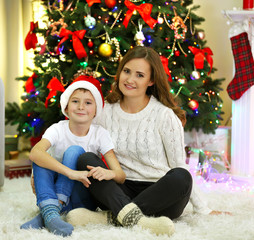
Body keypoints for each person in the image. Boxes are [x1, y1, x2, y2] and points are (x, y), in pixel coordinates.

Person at [66, 46, 226, 236]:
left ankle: (110, 218)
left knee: (181, 176)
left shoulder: (165, 116)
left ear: (151, 80)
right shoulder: (106, 111)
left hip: (160, 196)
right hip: (118, 189)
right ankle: (133, 217)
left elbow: (178, 165)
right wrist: (44, 172)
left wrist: (203, 209)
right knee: (86, 158)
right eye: (126, 71)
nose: (130, 79)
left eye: (139, 75)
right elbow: (75, 139)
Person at [20, 75, 126, 237]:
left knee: (74, 151)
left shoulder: (100, 134)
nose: (81, 107)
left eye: (88, 103)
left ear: (95, 111)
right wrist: (71, 173)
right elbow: (35, 152)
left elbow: (120, 176)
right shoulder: (57, 129)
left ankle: (49, 212)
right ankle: (51, 213)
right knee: (40, 159)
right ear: (66, 107)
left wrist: (108, 173)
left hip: (82, 198)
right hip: (55, 190)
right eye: (75, 101)